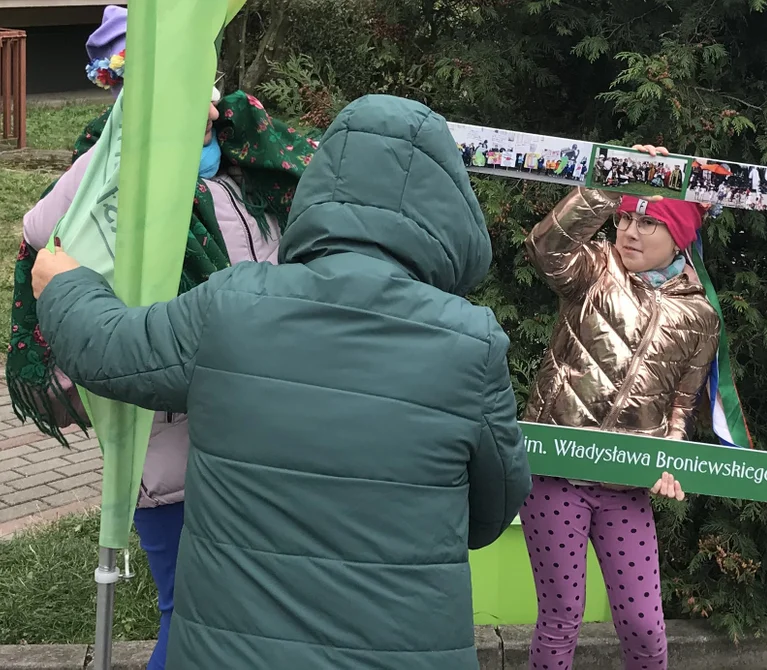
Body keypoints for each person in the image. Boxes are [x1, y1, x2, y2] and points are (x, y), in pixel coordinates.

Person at [29, 95, 531, 670]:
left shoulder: (235, 305)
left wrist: (65, 285)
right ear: (447, 210)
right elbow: (492, 511)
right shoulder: (472, 342)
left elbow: (114, 351)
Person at [7, 8, 315, 670]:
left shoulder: (249, 174)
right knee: (189, 610)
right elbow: (36, 236)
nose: (201, 104)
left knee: (244, 612)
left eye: (200, 82)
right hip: (167, 451)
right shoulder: (107, 178)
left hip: (253, 442)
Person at [521, 145, 724, 669]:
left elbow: (682, 404)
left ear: (678, 236)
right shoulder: (595, 270)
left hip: (625, 488)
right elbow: (546, 250)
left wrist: (670, 462)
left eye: (648, 222)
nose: (630, 231)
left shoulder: (701, 315)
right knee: (562, 617)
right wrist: (611, 179)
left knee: (644, 627)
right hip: (556, 474)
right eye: (625, 217)